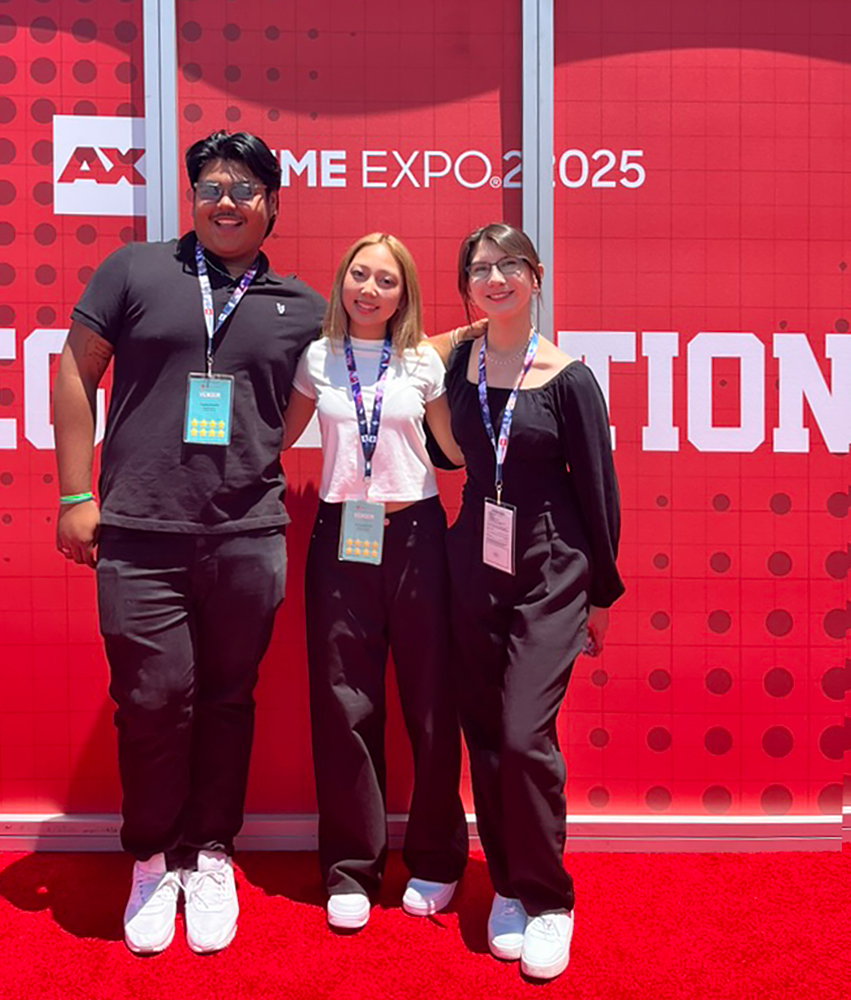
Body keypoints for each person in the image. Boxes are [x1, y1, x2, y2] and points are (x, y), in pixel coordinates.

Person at [52, 130, 326, 955]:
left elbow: (305, 402)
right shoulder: (134, 271)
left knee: (228, 698)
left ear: (272, 203)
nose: (225, 201)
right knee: (151, 700)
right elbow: (75, 370)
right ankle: (151, 855)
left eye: (243, 188)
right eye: (210, 187)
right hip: (139, 533)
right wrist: (75, 493)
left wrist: (252, 454)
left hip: (248, 536)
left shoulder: (303, 305)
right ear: (192, 198)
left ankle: (209, 852)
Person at [442, 223, 624, 979]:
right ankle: (510, 884)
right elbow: (442, 443)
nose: (496, 278)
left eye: (509, 265)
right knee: (484, 732)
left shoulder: (569, 378)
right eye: (480, 268)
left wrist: (601, 593)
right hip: (474, 554)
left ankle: (551, 900)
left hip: (552, 561)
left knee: (523, 735)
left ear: (536, 275)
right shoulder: (456, 363)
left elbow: (599, 489)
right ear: (467, 285)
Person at [282, 233, 469, 931]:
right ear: (342, 282)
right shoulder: (318, 359)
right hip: (341, 538)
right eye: (359, 275)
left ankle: (437, 859)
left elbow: (453, 451)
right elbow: (275, 437)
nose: (370, 289)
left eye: (386, 280)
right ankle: (351, 868)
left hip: (417, 536)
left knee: (431, 703)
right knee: (344, 706)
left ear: (403, 294)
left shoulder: (422, 361)